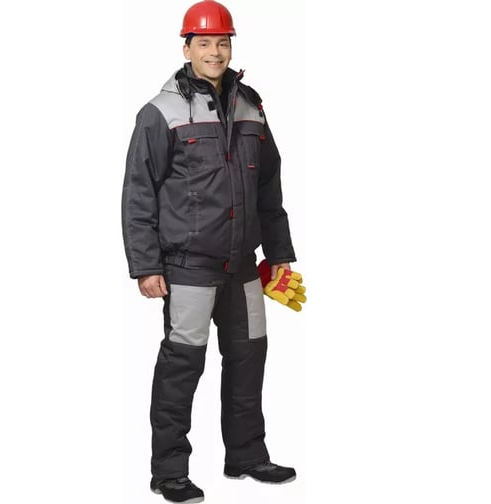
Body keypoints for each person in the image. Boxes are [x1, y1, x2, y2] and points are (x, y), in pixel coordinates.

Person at [122, 1, 299, 502]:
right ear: (187, 48)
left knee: (249, 358)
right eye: (204, 43)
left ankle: (246, 455)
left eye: (222, 42)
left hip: (243, 267)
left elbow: (268, 187)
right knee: (182, 366)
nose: (215, 52)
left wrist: (279, 255)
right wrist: (146, 265)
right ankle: (169, 471)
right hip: (188, 268)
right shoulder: (160, 113)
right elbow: (139, 192)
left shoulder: (251, 106)